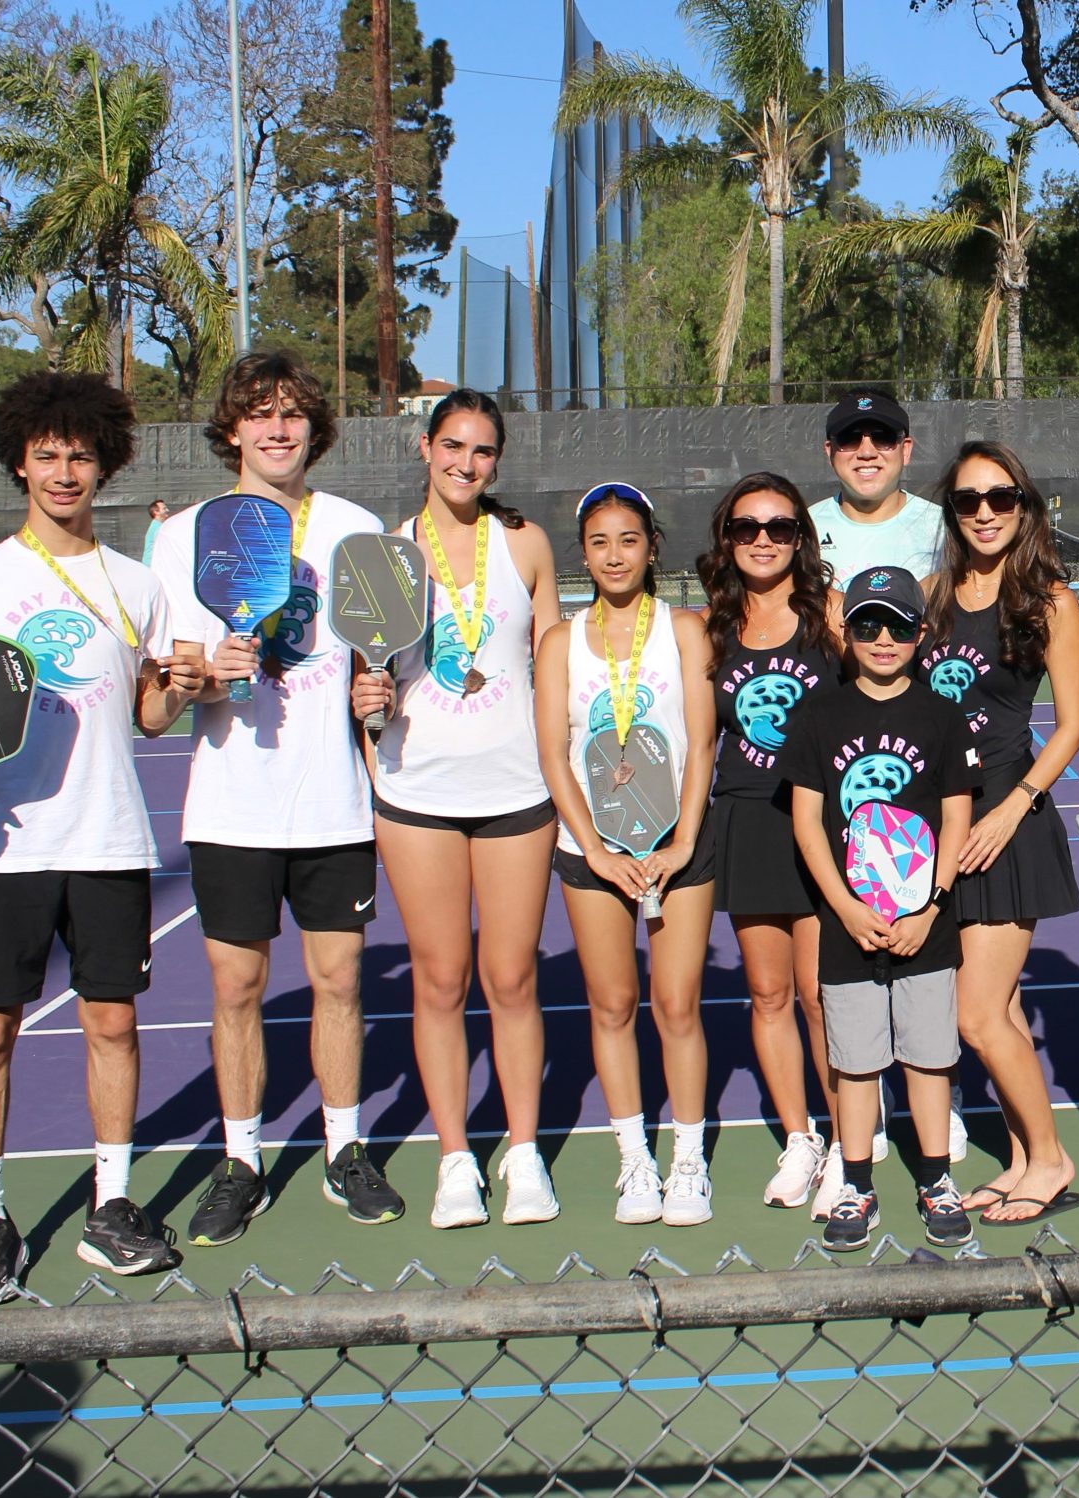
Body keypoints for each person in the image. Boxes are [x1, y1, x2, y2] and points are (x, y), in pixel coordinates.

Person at [0, 372, 201, 1305]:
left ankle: (111, 1209)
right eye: (48, 454)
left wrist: (182, 688)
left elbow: (151, 714)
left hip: (109, 839)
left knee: (111, 1023)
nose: (65, 470)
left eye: (80, 454)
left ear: (104, 463)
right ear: (21, 464)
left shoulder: (135, 584)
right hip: (2, 846)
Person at [149, 351, 402, 1246]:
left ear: (313, 428)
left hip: (333, 802)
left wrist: (378, 698)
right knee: (238, 988)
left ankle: (344, 1150)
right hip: (230, 806)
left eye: (292, 412)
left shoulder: (354, 526)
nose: (278, 427)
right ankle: (243, 1161)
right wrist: (209, 677)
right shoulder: (183, 535)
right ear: (232, 430)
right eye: (259, 412)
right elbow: (174, 680)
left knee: (339, 981)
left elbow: (377, 664)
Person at [350, 390, 561, 1229]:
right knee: (440, 981)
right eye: (452, 446)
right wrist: (368, 706)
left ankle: (523, 1155)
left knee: (511, 979)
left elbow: (555, 665)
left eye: (481, 451)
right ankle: (453, 1161)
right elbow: (368, 678)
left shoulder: (527, 545)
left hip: (517, 792)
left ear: (496, 462)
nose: (465, 463)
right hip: (417, 794)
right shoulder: (383, 552)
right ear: (426, 449)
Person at [537, 482, 719, 1226]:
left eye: (630, 540)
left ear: (651, 549)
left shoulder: (684, 630)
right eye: (600, 542)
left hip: (679, 848)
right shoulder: (559, 642)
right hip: (593, 853)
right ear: (583, 552)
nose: (615, 555)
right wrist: (596, 851)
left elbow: (703, 743)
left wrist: (681, 840)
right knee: (612, 1004)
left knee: (676, 1004)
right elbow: (553, 756)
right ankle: (633, 1160)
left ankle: (686, 1160)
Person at [783, 567, 980, 1250]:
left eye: (899, 625)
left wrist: (931, 904)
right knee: (857, 1060)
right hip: (849, 923)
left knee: (928, 1056)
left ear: (921, 633)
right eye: (869, 624)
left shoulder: (942, 717)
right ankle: (856, 1184)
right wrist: (843, 906)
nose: (884, 638)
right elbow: (807, 822)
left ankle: (934, 1179)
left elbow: (956, 819)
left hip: (925, 919)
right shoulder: (818, 715)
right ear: (847, 631)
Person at [917, 441, 1079, 1226]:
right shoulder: (932, 595)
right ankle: (1021, 1157)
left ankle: (1050, 1157)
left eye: (1000, 497)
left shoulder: (1048, 597)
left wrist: (1015, 804)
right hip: (948, 824)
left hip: (1009, 825)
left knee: (975, 1015)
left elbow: (1072, 725)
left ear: (1025, 504)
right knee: (1004, 1011)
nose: (985, 512)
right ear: (951, 512)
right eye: (967, 500)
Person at [694, 473, 845, 1212]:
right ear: (728, 538)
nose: (763, 539)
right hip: (747, 819)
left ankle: (849, 1143)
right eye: (748, 527)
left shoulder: (833, 619)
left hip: (820, 826)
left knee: (823, 997)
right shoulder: (708, 630)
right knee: (768, 991)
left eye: (779, 527)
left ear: (799, 539)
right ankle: (800, 1138)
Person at [808, 390, 945, 583]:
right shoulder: (805, 530)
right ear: (830, 452)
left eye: (883, 437)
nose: (866, 452)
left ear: (905, 450)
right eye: (849, 438)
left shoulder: (943, 528)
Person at [140, 498, 170, 566]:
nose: (168, 510)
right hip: (153, 566)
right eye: (164, 508)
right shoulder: (158, 529)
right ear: (156, 512)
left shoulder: (159, 526)